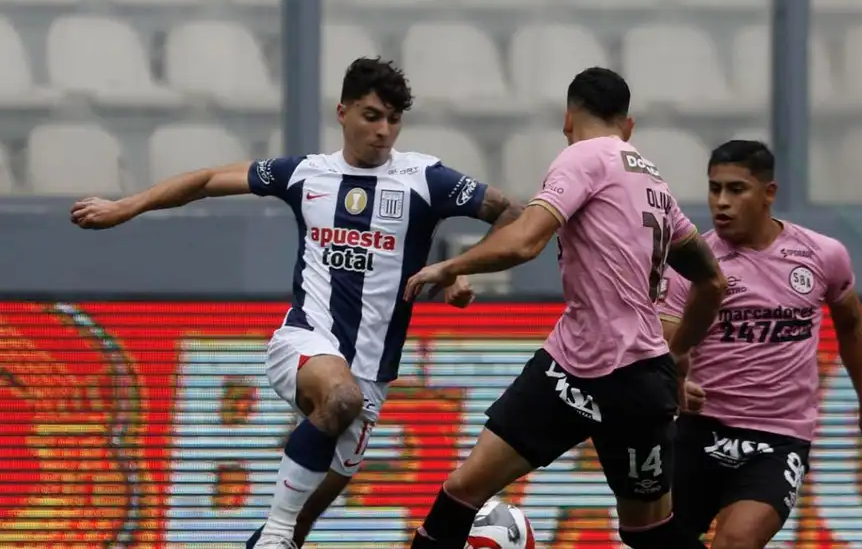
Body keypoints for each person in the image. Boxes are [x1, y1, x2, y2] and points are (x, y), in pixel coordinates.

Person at [69, 57, 523, 549]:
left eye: (393, 119)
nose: (384, 131)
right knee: (338, 403)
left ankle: (276, 536)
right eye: (372, 116)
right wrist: (125, 206)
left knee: (298, 524)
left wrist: (461, 268)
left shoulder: (425, 178)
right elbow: (205, 181)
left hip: (373, 372)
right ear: (343, 112)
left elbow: (511, 213)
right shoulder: (305, 175)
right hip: (305, 340)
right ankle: (278, 532)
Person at [402, 66, 729, 549]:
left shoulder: (582, 157)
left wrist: (451, 266)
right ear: (629, 124)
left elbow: (526, 240)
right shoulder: (654, 181)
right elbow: (712, 280)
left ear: (567, 118)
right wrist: (677, 356)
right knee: (649, 532)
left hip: (588, 371)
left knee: (462, 492)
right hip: (629, 372)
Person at [658, 140, 862, 549]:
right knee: (651, 539)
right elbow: (664, 338)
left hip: (777, 439)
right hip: (698, 431)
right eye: (715, 189)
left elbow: (852, 324)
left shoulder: (822, 256)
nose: (722, 202)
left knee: (735, 543)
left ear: (769, 193)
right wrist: (675, 380)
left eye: (736, 189)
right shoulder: (693, 263)